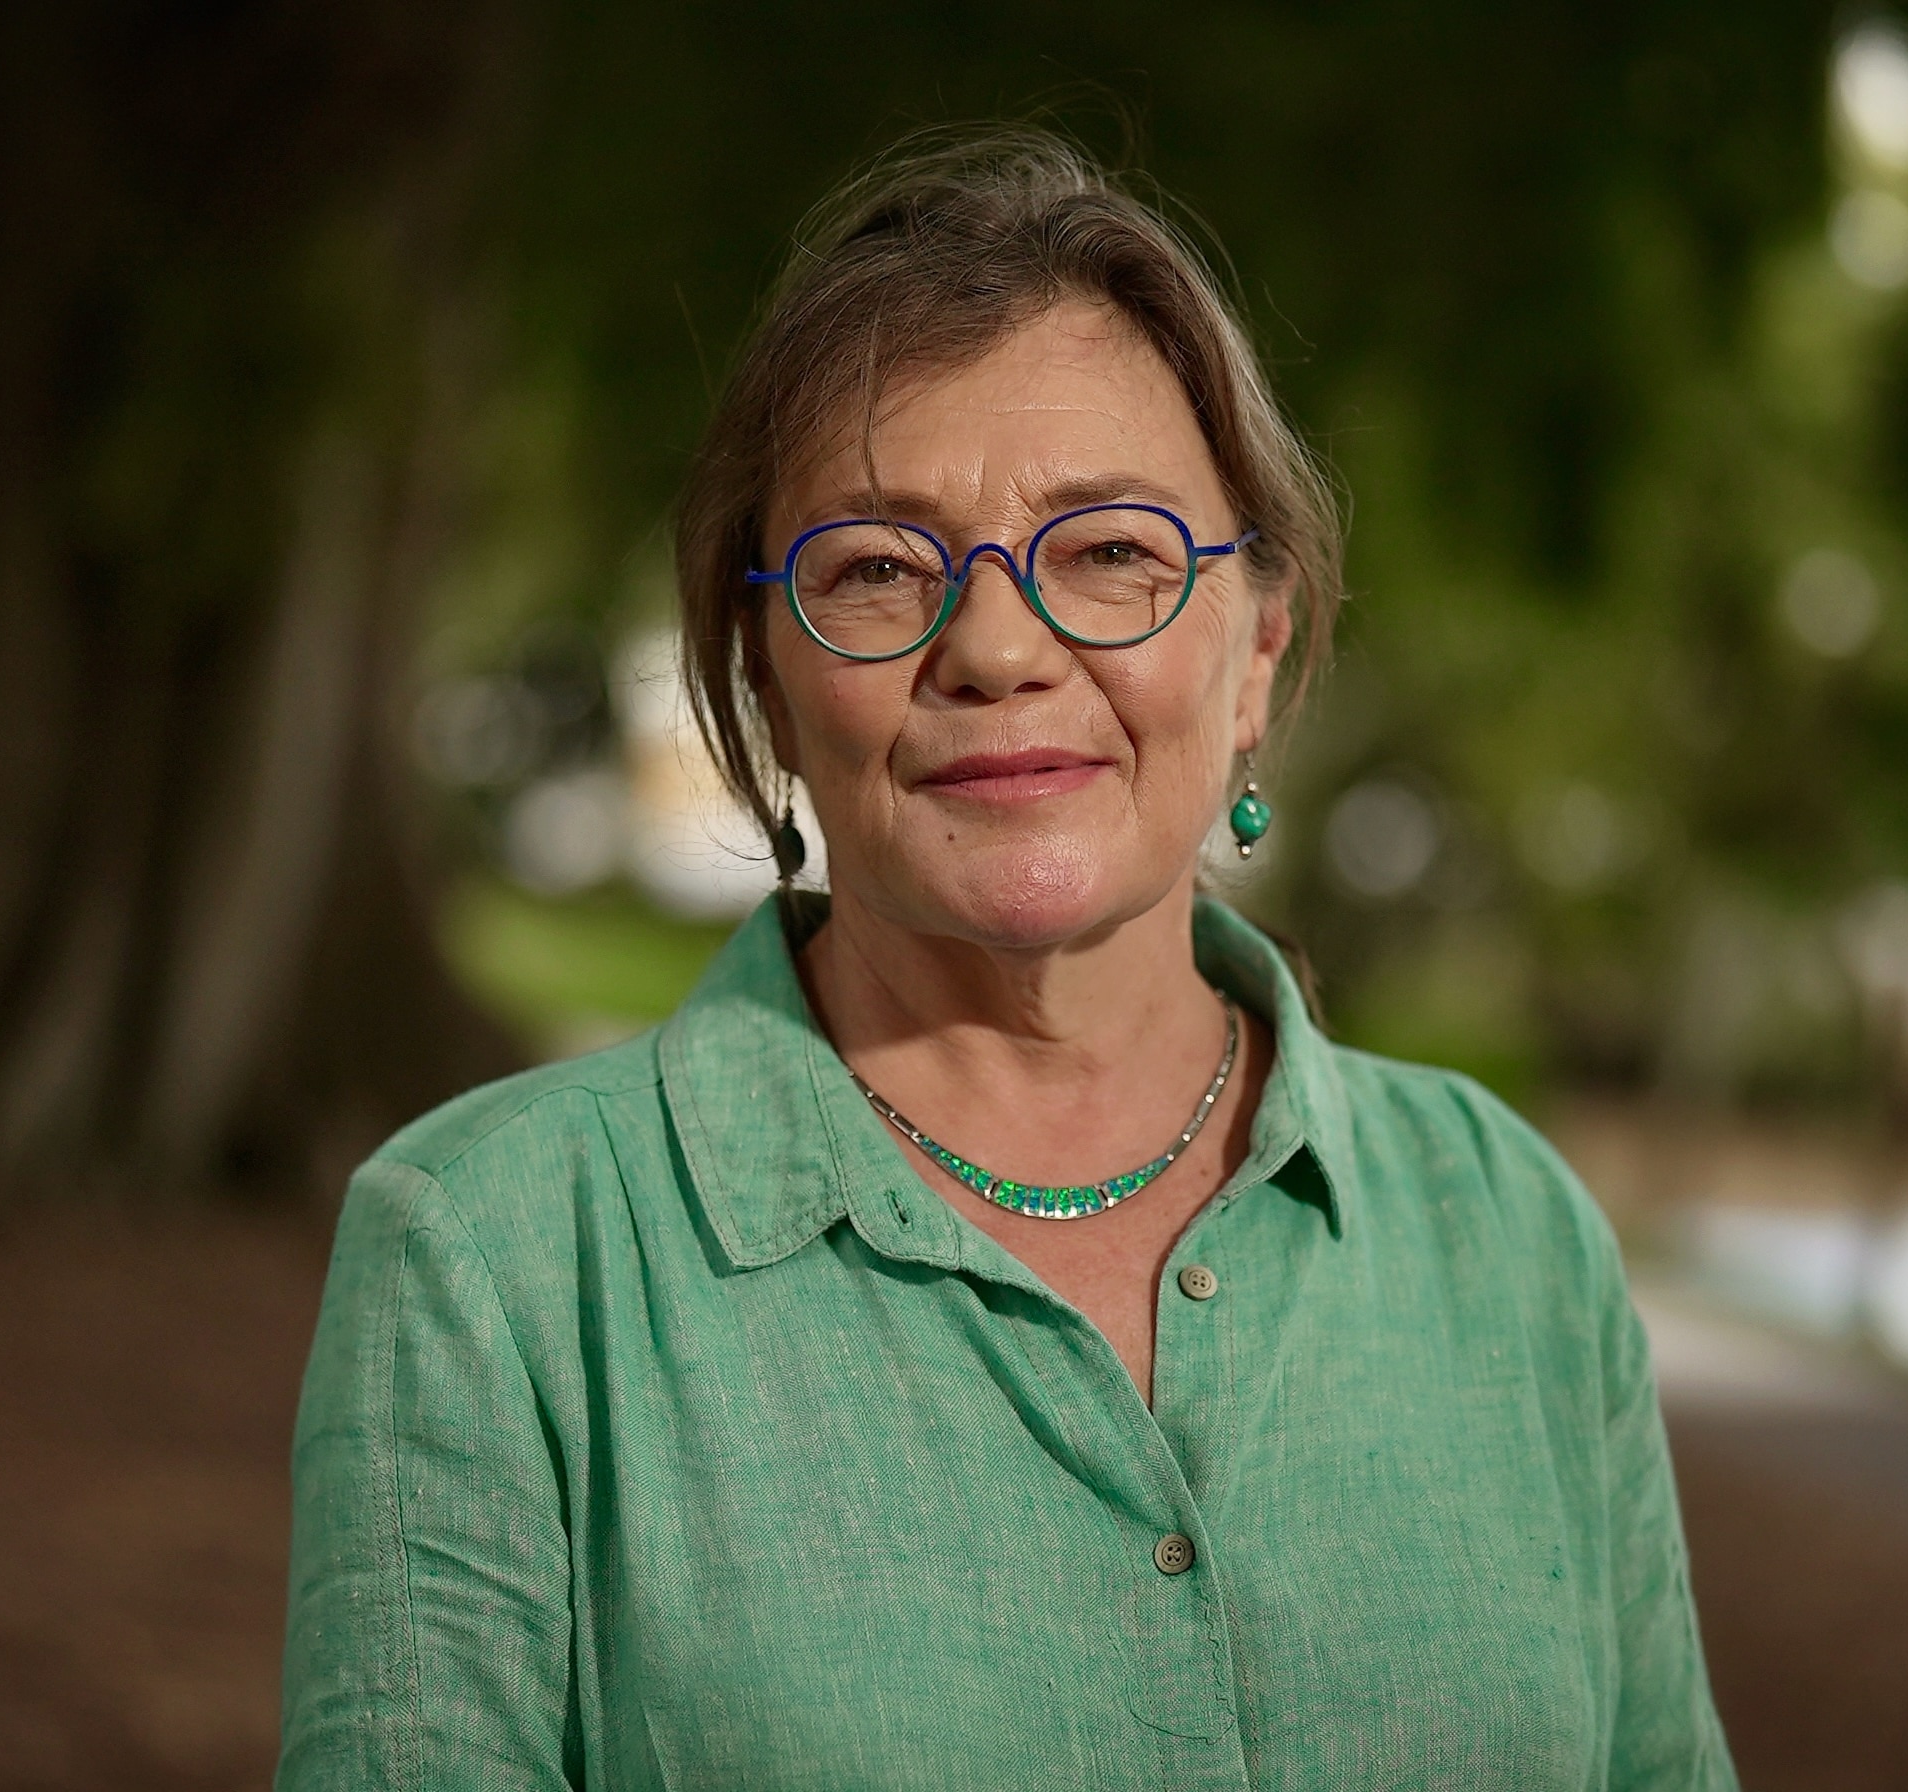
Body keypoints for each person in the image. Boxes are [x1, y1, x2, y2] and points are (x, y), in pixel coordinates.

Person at [278, 128, 1734, 1790]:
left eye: (1112, 550)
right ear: (764, 685)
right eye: (878, 572)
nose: (995, 645)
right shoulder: (496, 1263)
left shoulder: (1511, 1228)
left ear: (1253, 657)